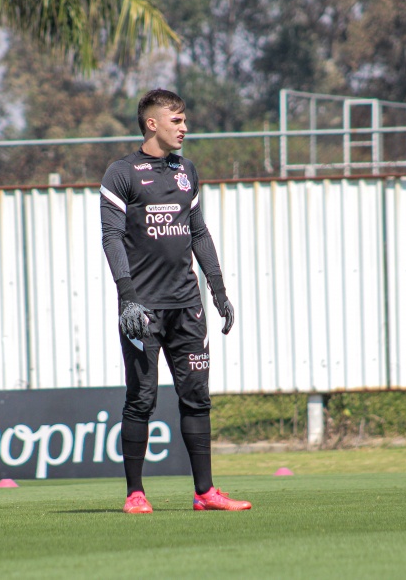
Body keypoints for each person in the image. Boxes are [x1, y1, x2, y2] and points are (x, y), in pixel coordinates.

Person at [99, 88, 251, 514]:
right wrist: (126, 297)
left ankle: (205, 493)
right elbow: (111, 237)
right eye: (177, 121)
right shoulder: (121, 173)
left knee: (196, 397)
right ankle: (135, 494)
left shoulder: (187, 171)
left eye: (184, 121)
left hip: (188, 305)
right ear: (153, 123)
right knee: (141, 398)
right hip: (142, 309)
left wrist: (218, 290)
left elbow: (198, 232)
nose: (185, 128)